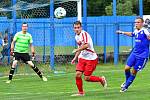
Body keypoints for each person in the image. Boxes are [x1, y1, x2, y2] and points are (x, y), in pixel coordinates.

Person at [71, 21, 107, 96]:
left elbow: (87, 45)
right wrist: (75, 57)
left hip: (91, 58)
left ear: (81, 28)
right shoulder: (76, 36)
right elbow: (80, 48)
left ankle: (101, 79)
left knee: (87, 78)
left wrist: (77, 50)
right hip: (82, 57)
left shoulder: (84, 34)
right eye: (75, 28)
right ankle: (81, 93)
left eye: (78, 27)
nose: (77, 29)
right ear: (73, 29)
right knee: (78, 75)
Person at [116, 17, 150, 92]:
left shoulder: (145, 31)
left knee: (134, 71)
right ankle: (127, 81)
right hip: (134, 54)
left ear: (142, 23)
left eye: (138, 22)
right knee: (126, 68)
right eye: (135, 22)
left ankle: (126, 86)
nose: (136, 24)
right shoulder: (136, 31)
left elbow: (149, 37)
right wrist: (122, 32)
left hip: (142, 56)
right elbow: (132, 34)